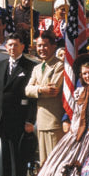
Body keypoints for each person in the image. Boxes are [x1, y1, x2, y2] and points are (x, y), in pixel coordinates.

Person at [0, 31, 36, 176]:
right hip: (2, 118)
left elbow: (32, 98)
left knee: (18, 157)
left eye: (16, 45)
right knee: (6, 157)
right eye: (9, 45)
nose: (12, 48)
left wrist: (30, 120)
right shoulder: (1, 65)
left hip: (19, 118)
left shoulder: (29, 67)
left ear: (22, 46)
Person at [23, 29, 65, 165]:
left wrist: (37, 89)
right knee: (44, 163)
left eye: (45, 45)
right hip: (40, 122)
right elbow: (27, 90)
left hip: (54, 122)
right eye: (39, 45)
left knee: (55, 163)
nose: (42, 49)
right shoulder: (37, 68)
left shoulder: (60, 65)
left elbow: (53, 90)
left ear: (53, 47)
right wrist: (41, 89)